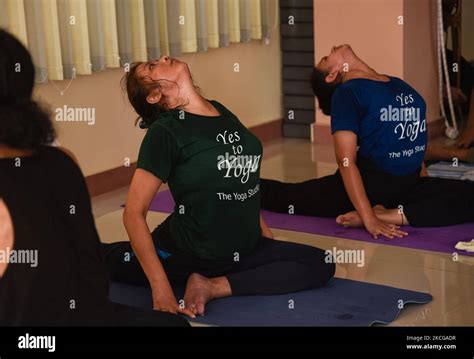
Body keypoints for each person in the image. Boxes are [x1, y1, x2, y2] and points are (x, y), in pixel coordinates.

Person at [102, 55, 336, 318]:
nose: (164, 57)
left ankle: (211, 286)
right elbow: (133, 212)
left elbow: (240, 176)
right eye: (153, 66)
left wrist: (263, 231)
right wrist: (161, 289)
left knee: (321, 262)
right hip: (186, 252)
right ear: (155, 95)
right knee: (104, 259)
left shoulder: (220, 111)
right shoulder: (166, 132)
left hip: (243, 248)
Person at [0, 29, 188, 327]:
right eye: (151, 66)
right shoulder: (61, 162)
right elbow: (94, 267)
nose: (163, 58)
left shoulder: (58, 165)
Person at [260, 44, 474, 238]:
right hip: (369, 186)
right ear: (332, 74)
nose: (333, 47)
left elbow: (410, 140)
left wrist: (424, 183)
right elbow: (346, 162)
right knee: (286, 196)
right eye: (327, 57)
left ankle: (388, 215)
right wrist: (370, 220)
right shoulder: (348, 93)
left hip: (408, 183)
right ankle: (240, 187)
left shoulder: (396, 84)